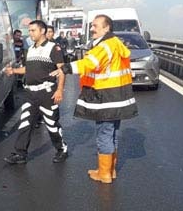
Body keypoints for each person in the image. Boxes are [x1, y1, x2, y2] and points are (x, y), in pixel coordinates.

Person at [53, 15, 138, 183]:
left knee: (104, 134)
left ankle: (104, 174)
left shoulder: (105, 46)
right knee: (112, 134)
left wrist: (66, 68)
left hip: (106, 97)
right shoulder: (115, 44)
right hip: (118, 96)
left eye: (96, 26)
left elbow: (90, 63)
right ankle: (110, 170)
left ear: (107, 28)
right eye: (92, 26)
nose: (92, 29)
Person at [3, 20, 68, 164]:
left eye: (33, 30)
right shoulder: (31, 49)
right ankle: (20, 154)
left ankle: (61, 149)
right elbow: (28, 69)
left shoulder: (53, 48)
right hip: (30, 94)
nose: (30, 33)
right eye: (30, 30)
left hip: (47, 93)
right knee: (25, 123)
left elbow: (62, 70)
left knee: (52, 124)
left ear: (43, 31)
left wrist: (59, 90)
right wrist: (13, 71)